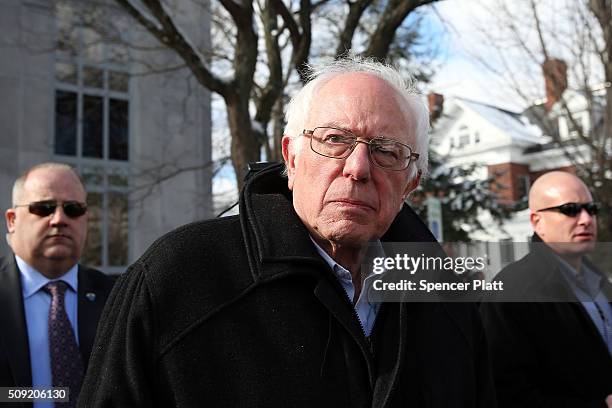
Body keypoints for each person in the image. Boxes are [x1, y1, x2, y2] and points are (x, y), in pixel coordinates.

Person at [79, 57, 496, 407]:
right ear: (290, 159)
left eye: (387, 151)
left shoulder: (450, 298)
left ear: (411, 182)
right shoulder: (179, 278)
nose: (358, 168)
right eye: (334, 139)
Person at [480, 171, 612, 407]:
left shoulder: (599, 281)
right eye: (570, 210)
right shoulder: (514, 291)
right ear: (536, 222)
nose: (586, 219)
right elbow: (504, 394)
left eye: (591, 209)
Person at [0, 163, 114, 408]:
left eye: (73, 209)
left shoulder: (117, 297)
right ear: (12, 220)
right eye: (44, 208)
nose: (60, 219)